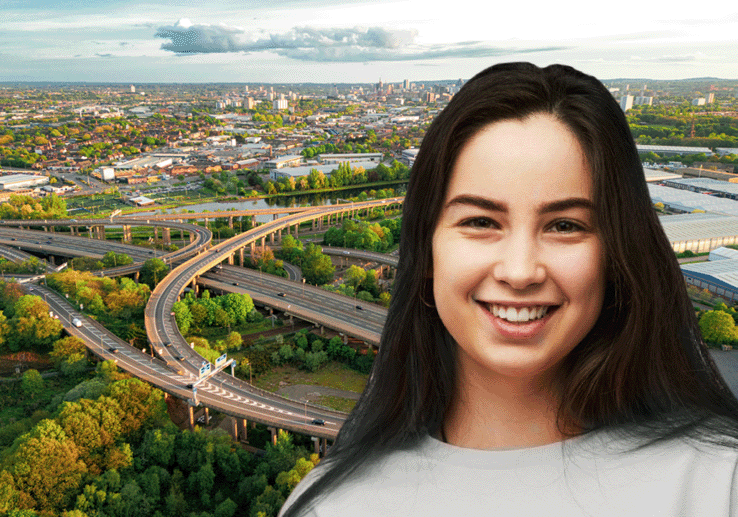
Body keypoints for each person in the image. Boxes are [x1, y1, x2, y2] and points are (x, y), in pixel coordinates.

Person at [278, 63, 738, 517]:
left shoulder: (718, 484)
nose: (520, 272)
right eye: (480, 222)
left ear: (618, 253)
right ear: (426, 249)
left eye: (564, 225)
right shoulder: (335, 506)